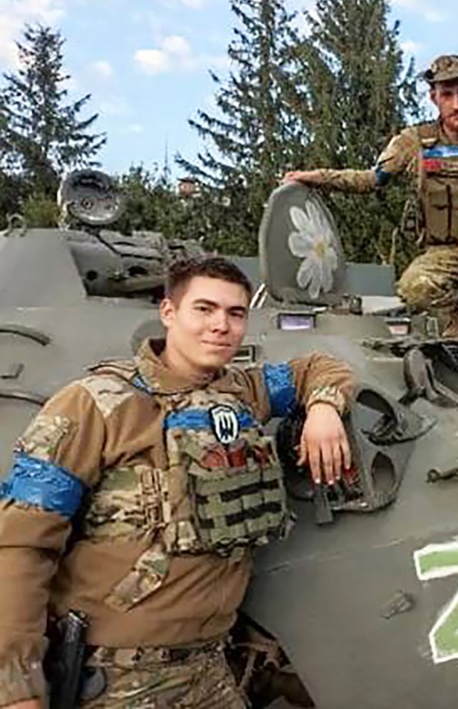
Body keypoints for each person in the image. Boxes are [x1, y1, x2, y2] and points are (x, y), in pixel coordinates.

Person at [0, 257, 354, 708]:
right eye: (204, 310)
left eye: (235, 313)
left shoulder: (242, 392)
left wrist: (323, 408)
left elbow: (320, 367)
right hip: (120, 676)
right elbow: (20, 546)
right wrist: (15, 688)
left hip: (208, 669)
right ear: (169, 313)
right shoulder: (96, 404)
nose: (220, 326)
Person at [283, 54, 458, 337]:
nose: (455, 104)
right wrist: (316, 177)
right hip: (444, 256)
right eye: (446, 94)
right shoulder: (415, 141)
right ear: (433, 97)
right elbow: (371, 179)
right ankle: (456, 310)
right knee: (412, 287)